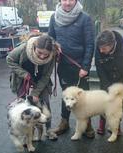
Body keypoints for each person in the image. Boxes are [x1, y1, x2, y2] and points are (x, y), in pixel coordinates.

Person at [48, 0, 95, 138]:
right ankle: (64, 122)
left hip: (80, 66)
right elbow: (50, 38)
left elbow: (90, 44)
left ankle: (87, 124)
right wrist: (54, 46)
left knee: (83, 96)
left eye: (71, 0)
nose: (67, 3)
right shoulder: (54, 17)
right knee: (66, 94)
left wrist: (86, 67)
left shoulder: (85, 18)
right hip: (63, 65)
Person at [6, 34, 58, 136]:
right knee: (24, 106)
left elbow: (46, 76)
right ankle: (26, 132)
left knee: (45, 104)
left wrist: (35, 93)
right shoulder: (23, 49)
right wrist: (24, 74)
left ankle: (48, 129)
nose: (42, 56)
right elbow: (9, 60)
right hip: (22, 80)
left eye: (46, 54)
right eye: (39, 52)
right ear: (34, 46)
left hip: (41, 81)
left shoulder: (52, 55)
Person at [95, 30, 123, 134]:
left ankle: (116, 126)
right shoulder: (99, 47)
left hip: (122, 78)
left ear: (112, 44)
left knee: (118, 104)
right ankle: (102, 124)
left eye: (104, 48)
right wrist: (107, 87)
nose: (101, 51)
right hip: (106, 78)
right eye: (100, 48)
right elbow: (99, 68)